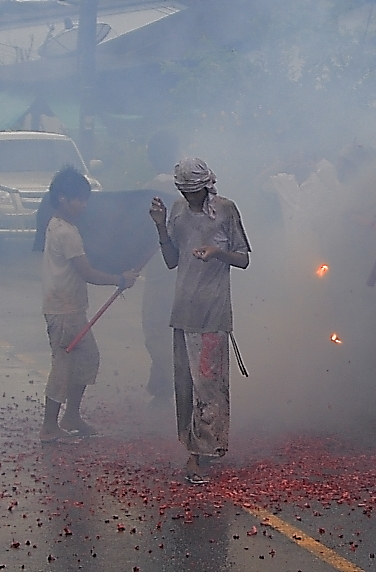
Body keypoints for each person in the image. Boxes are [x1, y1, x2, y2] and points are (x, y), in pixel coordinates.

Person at [148, 157, 250, 484]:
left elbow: (244, 258)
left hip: (213, 313)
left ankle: (198, 456)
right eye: (185, 191)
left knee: (209, 386)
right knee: (188, 387)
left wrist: (217, 252)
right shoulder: (177, 211)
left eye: (195, 191)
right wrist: (161, 225)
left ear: (207, 185)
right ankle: (199, 447)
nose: (191, 197)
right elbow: (170, 260)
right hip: (184, 311)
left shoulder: (226, 210)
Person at [40, 166, 138, 443]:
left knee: (87, 358)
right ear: (62, 198)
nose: (83, 205)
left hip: (70, 306)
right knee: (63, 366)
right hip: (62, 309)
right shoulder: (66, 233)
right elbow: (87, 272)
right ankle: (49, 426)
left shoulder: (60, 225)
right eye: (79, 199)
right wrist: (120, 278)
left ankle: (71, 415)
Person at [141, 131, 181, 401]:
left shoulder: (148, 191)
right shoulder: (187, 189)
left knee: (156, 329)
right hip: (186, 270)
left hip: (158, 272)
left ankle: (174, 383)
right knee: (175, 328)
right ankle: (161, 385)